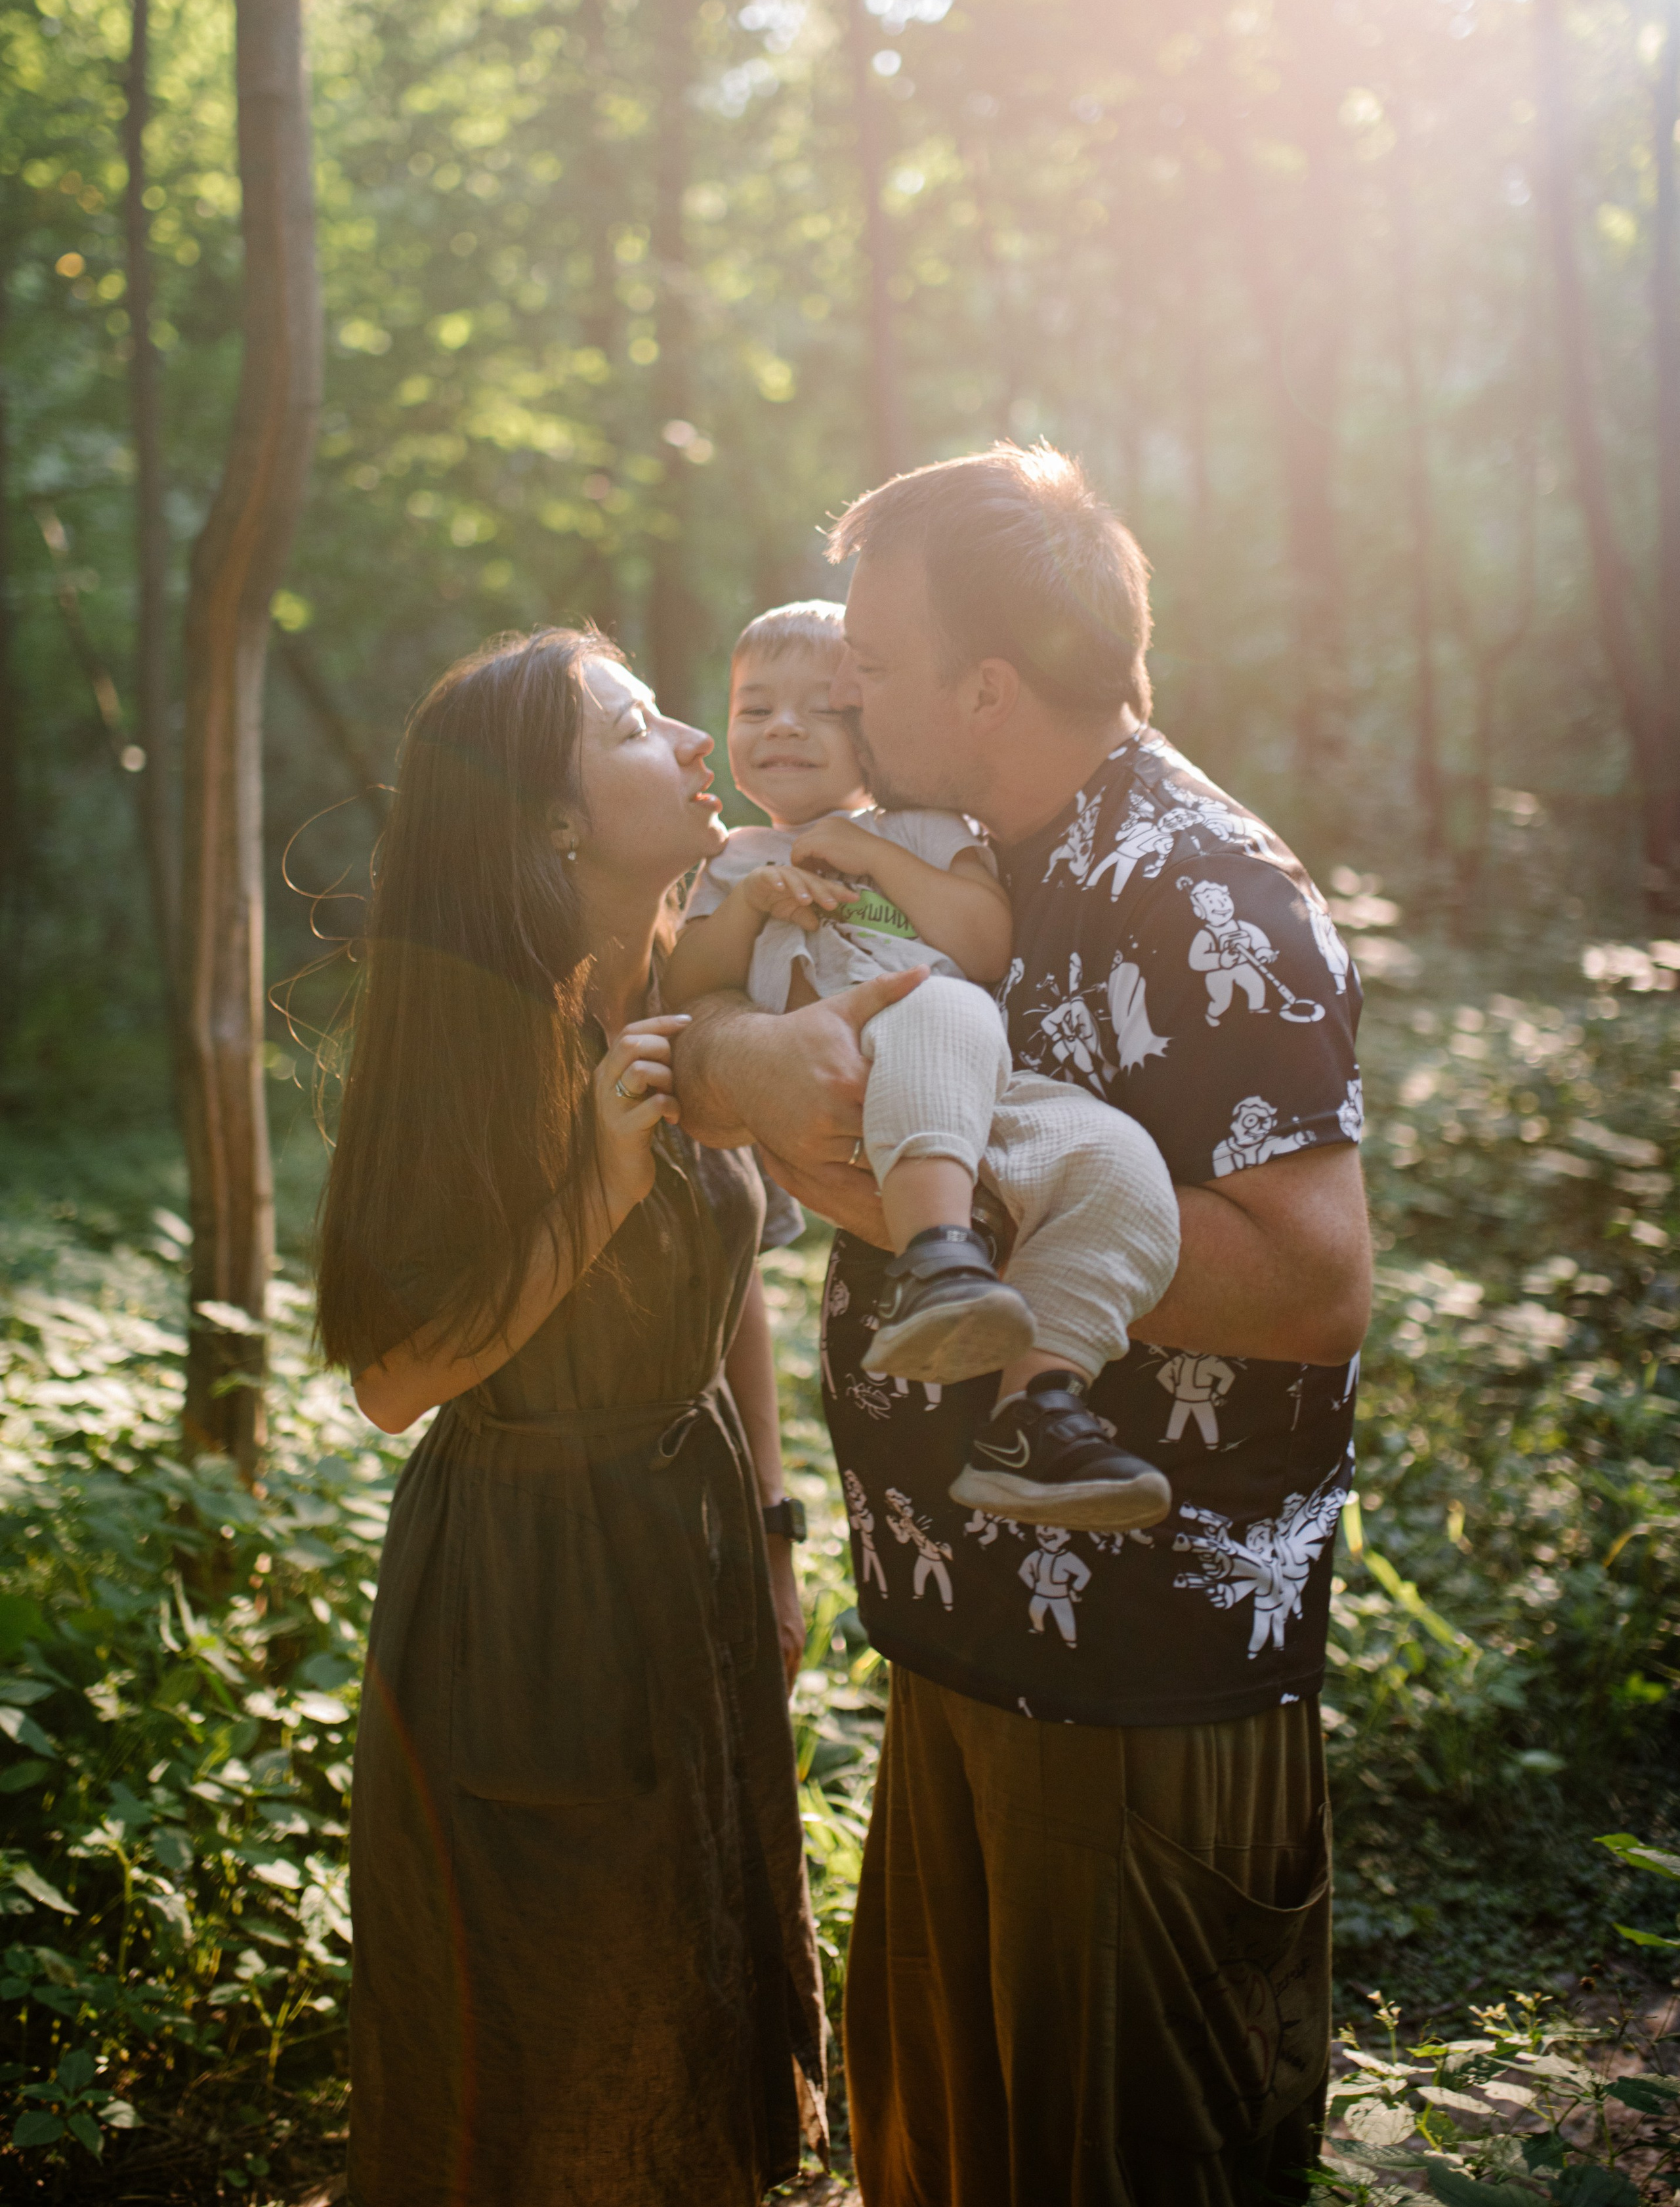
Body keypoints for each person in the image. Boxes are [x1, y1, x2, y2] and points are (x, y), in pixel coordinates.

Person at [675, 443, 1373, 2207]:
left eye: (878, 672)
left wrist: (895, 1199)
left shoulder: (1198, 885)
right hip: (963, 1636)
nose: (845, 694)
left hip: (1136, 1685)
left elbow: (1309, 1279)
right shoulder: (987, 855)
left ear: (986, 690)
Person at [314, 628, 828, 2207]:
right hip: (526, 1594)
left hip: (688, 1546)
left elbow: (730, 1280)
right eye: (631, 722)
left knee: (694, 1991)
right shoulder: (469, 1032)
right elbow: (393, 1382)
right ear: (550, 821)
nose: (690, 735)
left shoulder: (691, 982)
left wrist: (772, 1533)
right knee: (552, 2037)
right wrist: (593, 1190)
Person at [664, 599, 1181, 1532]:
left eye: (819, 708)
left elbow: (984, 941)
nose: (783, 725)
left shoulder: (927, 829)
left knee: (1123, 1162)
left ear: (870, 725)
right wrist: (750, 909)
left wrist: (868, 852)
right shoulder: (734, 861)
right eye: (754, 708)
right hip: (852, 1079)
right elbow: (688, 985)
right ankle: (935, 1263)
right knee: (934, 1002)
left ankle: (1036, 1413)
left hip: (972, 1085)